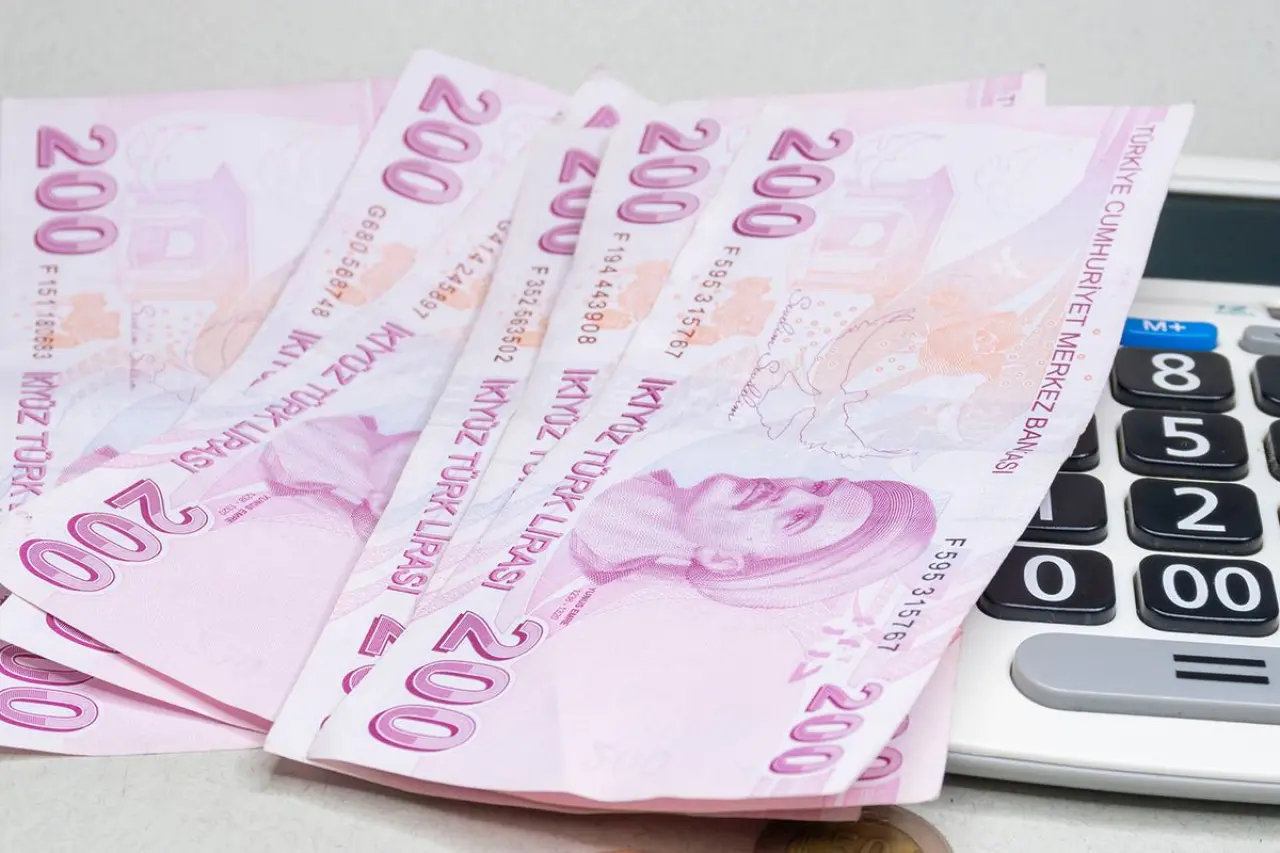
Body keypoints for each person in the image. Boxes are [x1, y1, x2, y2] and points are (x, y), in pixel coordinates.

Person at [552, 468, 936, 611]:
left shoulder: (563, 568)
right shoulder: (641, 459)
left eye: (798, 518)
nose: (791, 491)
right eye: (818, 486)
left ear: (723, 560)